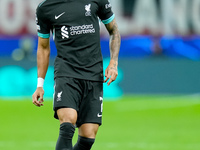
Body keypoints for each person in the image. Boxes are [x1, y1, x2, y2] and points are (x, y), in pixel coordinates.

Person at [32, 0, 121, 149]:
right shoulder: (45, 8)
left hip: (93, 73)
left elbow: (114, 31)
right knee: (68, 120)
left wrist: (113, 62)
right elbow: (43, 47)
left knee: (88, 135)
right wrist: (39, 84)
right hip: (67, 72)